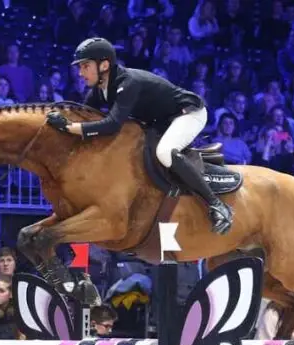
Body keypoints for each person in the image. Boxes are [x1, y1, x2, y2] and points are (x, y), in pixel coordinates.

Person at [46, 37, 232, 235]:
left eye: (85, 66)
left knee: (165, 152)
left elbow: (111, 124)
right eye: (80, 67)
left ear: (104, 65)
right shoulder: (100, 90)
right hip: (160, 120)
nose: (80, 73)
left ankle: (218, 206)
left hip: (188, 113)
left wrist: (68, 127)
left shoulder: (128, 83)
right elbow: (84, 115)